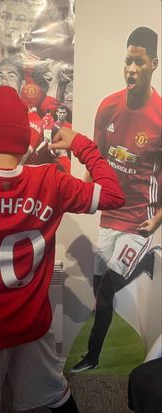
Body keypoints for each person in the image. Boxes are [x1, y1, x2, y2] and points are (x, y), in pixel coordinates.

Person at [0, 86, 125, 413]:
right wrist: (80, 144)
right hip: (33, 324)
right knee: (54, 396)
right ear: (24, 138)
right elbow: (114, 195)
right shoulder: (52, 181)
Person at [71, 26, 162, 373]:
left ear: (153, 64)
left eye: (138, 62)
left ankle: (92, 357)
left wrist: (158, 219)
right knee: (100, 291)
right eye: (127, 61)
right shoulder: (107, 107)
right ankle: (94, 356)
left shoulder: (160, 117)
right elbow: (95, 161)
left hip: (140, 220)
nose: (131, 69)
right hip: (109, 217)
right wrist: (83, 196)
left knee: (107, 289)